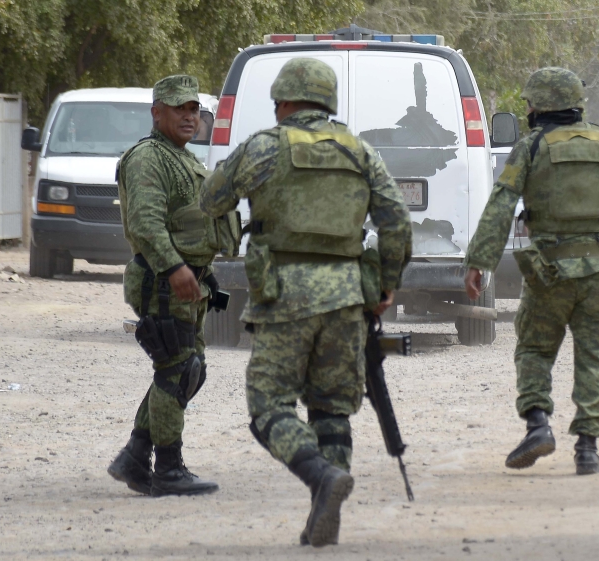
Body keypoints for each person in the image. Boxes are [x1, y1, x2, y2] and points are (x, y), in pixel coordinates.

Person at [198, 58, 412, 547]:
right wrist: (386, 284)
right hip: (347, 300)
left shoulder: (264, 147)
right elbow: (397, 221)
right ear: (327, 101)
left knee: (268, 404)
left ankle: (320, 475)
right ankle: (325, 508)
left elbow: (211, 200)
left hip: (283, 297)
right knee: (332, 409)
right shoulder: (360, 152)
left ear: (284, 101)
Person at [463, 67, 599, 476]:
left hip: (548, 274)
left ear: (540, 105)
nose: (527, 110)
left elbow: (501, 205)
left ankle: (538, 426)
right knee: (594, 357)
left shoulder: (531, 147)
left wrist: (480, 261)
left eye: (529, 103)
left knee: (534, 350)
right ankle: (587, 449)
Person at [107, 75, 240, 497]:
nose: (189, 116)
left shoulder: (182, 157)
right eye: (179, 108)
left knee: (187, 369)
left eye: (193, 109)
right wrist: (175, 268)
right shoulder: (148, 158)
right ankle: (167, 469)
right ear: (156, 113)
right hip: (161, 280)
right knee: (178, 368)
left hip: (186, 281)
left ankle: (135, 454)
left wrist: (203, 273)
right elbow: (146, 223)